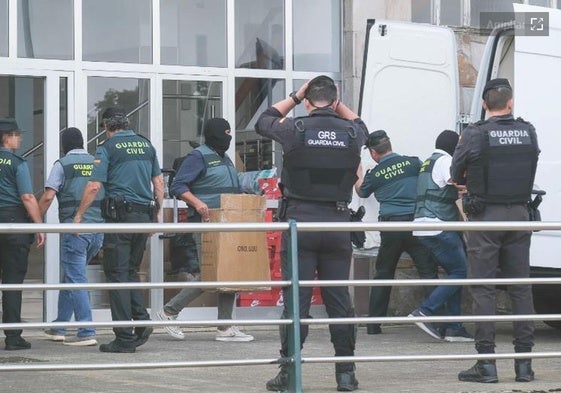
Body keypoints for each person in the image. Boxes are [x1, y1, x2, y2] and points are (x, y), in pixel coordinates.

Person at [256, 75, 368, 392]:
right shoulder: (352, 132)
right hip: (336, 224)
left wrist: (295, 95)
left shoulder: (296, 129)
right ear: (334, 102)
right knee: (339, 303)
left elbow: (265, 121)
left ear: (307, 102)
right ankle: (346, 374)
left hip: (300, 224)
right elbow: (363, 126)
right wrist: (336, 102)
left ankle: (289, 373)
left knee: (297, 303)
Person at [451, 78, 540, 383]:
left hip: (486, 216)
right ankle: (524, 365)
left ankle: (486, 364)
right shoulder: (528, 131)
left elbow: (454, 171)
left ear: (486, 105)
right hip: (519, 214)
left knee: (484, 287)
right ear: (511, 102)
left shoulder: (475, 133)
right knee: (520, 286)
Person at [74, 106, 164, 353]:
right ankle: (141, 321)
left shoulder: (108, 147)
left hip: (121, 218)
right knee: (131, 271)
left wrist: (79, 216)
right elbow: (158, 183)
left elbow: (93, 186)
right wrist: (156, 216)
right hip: (143, 216)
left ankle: (124, 337)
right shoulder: (147, 145)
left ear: (107, 127)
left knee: (116, 273)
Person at [156, 118, 254, 343]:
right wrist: (198, 204)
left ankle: (225, 327)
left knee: (228, 272)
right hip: (208, 222)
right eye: (226, 133)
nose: (229, 138)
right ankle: (169, 311)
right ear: (215, 134)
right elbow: (178, 185)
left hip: (227, 222)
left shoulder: (224, 157)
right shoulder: (198, 156)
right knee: (210, 274)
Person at [354, 130, 437, 335]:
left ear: (373, 152)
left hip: (391, 227)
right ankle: (439, 320)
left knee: (383, 273)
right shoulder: (413, 163)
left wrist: (358, 174)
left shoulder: (375, 174)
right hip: (415, 224)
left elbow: (361, 191)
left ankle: (374, 325)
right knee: (428, 272)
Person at [39, 127, 104, 346]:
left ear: (63, 145)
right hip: (97, 232)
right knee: (71, 276)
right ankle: (59, 327)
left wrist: (35, 220)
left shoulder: (62, 164)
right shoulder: (97, 162)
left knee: (76, 279)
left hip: (75, 230)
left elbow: (48, 197)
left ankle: (86, 331)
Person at [409, 130, 473, 342]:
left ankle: (454, 328)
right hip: (438, 225)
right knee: (460, 271)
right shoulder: (446, 161)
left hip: (423, 225)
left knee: (453, 273)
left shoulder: (429, 161)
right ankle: (425, 312)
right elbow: (457, 182)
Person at [0, 118, 45, 350]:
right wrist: (39, 226)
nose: (20, 138)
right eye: (17, 134)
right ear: (6, 137)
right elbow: (27, 197)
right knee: (12, 282)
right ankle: (13, 337)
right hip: (12, 224)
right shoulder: (17, 162)